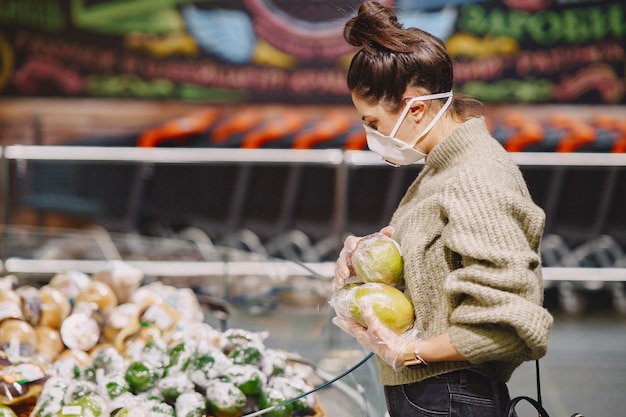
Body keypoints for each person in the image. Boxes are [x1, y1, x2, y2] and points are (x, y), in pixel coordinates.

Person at [331, 2, 554, 417]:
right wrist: (373, 257)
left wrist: (409, 351)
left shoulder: (473, 175)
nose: (370, 136)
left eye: (373, 123)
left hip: (450, 397)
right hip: (437, 396)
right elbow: (444, 261)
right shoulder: (443, 167)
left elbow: (511, 323)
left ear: (415, 107)